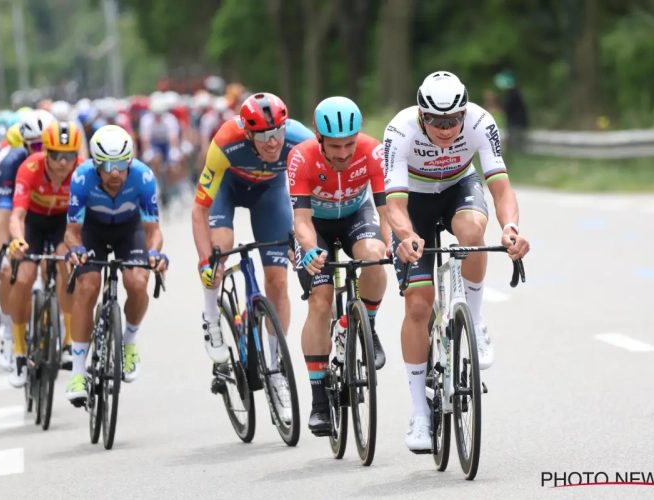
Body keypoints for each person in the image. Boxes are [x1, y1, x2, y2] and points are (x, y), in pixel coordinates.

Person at [383, 71, 531, 451]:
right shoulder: (400, 131)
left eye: (453, 121)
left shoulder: (481, 122)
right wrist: (405, 235)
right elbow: (394, 206)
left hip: (457, 187)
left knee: (472, 233)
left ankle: (476, 320)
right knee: (417, 304)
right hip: (413, 200)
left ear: (464, 113)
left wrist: (511, 227)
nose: (446, 130)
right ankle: (419, 413)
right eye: (436, 121)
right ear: (421, 114)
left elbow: (500, 187)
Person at [288, 96, 390, 435]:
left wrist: (392, 244)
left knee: (375, 256)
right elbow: (300, 220)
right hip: (314, 226)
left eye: (349, 144)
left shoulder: (372, 150)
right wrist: (307, 250)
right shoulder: (301, 157)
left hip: (354, 218)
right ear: (319, 137)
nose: (344, 154)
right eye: (335, 147)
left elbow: (386, 211)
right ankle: (319, 400)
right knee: (320, 301)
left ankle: (366, 327)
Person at [192, 92, 313, 365]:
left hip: (269, 194)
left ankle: (276, 363)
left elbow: (314, 198)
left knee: (279, 282)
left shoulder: (301, 141)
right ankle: (211, 316)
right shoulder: (225, 142)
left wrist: (305, 241)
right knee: (220, 249)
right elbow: (199, 210)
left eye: (277, 132)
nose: (271, 142)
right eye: (261, 136)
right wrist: (204, 262)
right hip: (229, 189)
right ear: (247, 134)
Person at [64, 125, 168, 406]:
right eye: (107, 165)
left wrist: (154, 254)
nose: (114, 172)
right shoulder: (82, 177)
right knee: (88, 286)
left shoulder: (143, 176)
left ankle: (129, 342)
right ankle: (78, 372)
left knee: (137, 282)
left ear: (130, 161)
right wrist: (76, 250)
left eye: (121, 164)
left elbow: (153, 231)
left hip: (128, 230)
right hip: (92, 231)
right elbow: (72, 232)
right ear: (95, 164)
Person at [6, 121, 83, 387]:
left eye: (70, 155)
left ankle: (69, 340)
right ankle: (17, 350)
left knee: (68, 264)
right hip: (34, 224)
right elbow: (17, 215)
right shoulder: (29, 169)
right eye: (57, 155)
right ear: (45, 152)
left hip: (63, 223)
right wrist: (18, 240)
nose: (64, 162)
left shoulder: (81, 172)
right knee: (25, 277)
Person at [0, 109, 54, 371]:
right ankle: (9, 333)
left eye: (46, 145)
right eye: (36, 146)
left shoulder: (65, 159)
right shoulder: (10, 161)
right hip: (24, 215)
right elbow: (3, 213)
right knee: (11, 272)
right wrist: (2, 252)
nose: (42, 151)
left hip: (55, 215)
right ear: (25, 144)